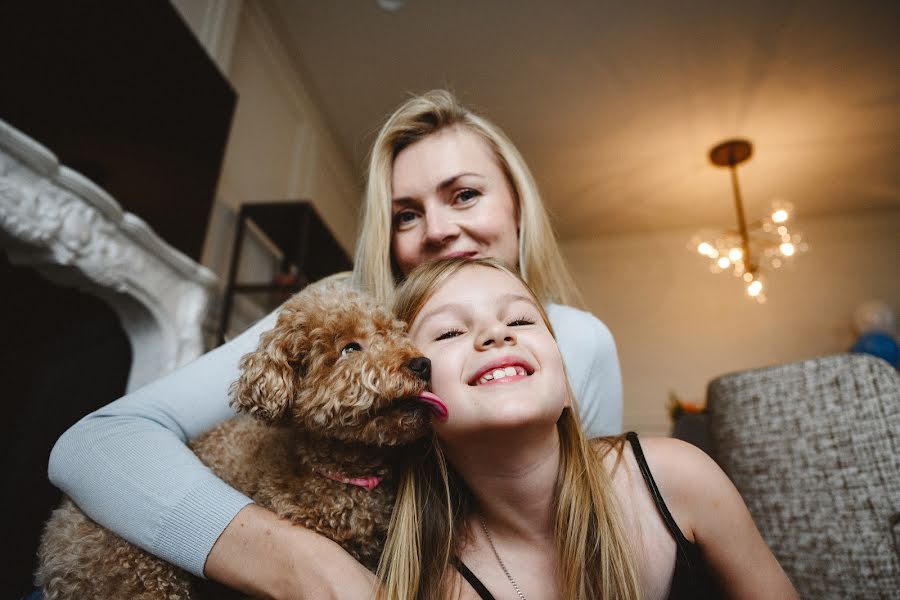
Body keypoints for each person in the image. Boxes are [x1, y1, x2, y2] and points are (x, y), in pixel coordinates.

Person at [47, 90, 622, 598]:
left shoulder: (576, 341)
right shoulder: (345, 300)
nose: (439, 229)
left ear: (518, 204)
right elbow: (96, 444)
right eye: (405, 214)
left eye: (465, 194)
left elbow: (593, 521)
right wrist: (300, 560)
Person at [379, 257, 797, 599]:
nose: (495, 333)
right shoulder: (440, 586)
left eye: (521, 321)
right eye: (450, 331)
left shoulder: (679, 478)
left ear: (566, 389)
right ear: (412, 406)